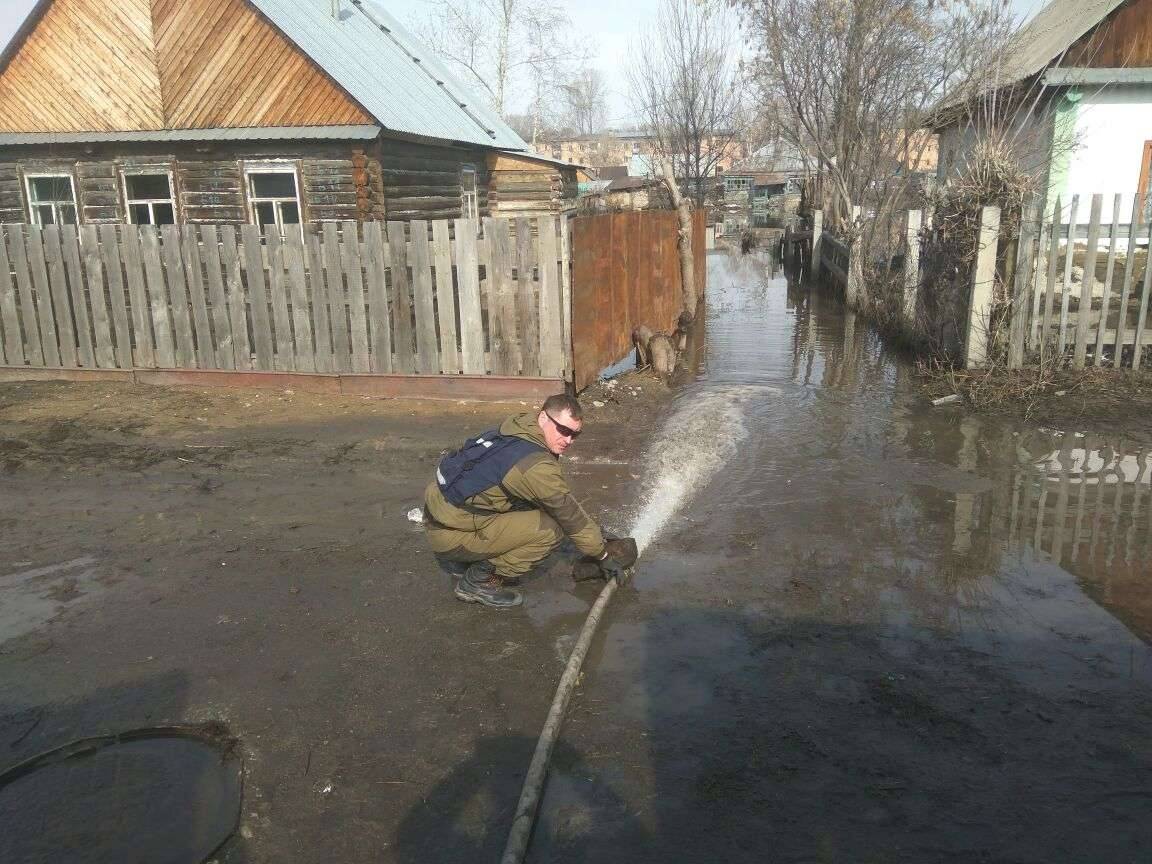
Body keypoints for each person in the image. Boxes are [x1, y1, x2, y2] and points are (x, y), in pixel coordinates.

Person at [423, 394, 635, 609]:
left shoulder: (514, 429)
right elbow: (568, 515)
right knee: (552, 529)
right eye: (564, 430)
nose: (569, 440)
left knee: (532, 504)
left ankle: (464, 558)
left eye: (575, 434)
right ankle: (478, 582)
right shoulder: (534, 465)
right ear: (543, 417)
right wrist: (603, 554)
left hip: (442, 516)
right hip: (451, 534)